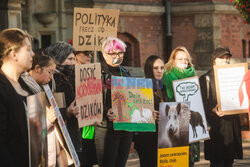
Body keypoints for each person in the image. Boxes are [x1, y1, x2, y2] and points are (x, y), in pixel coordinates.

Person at [199, 47, 243, 167]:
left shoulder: (236, 76)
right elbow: (201, 103)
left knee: (229, 162)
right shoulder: (205, 78)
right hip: (216, 127)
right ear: (214, 60)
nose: (225, 60)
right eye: (221, 58)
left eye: (227, 58)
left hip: (231, 126)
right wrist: (211, 110)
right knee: (217, 162)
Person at [95, 37, 133, 167]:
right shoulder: (98, 73)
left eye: (120, 52)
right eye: (113, 53)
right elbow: (91, 99)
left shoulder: (125, 72)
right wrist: (106, 111)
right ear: (104, 54)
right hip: (106, 128)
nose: (117, 56)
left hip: (125, 128)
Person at [0, 28, 35, 167]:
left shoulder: (25, 85)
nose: (33, 54)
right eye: (28, 49)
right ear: (13, 54)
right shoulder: (2, 89)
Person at [44, 41, 83, 164]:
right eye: (69, 59)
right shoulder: (49, 80)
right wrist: (66, 112)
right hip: (58, 140)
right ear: (59, 59)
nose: (72, 63)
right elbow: (48, 109)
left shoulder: (73, 76)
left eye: (74, 59)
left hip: (74, 134)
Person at [162, 46, 200, 167]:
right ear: (172, 60)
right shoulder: (167, 76)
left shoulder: (193, 75)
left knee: (190, 161)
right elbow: (166, 101)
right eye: (180, 59)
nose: (184, 61)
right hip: (175, 122)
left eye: (186, 59)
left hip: (190, 121)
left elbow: (197, 101)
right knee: (176, 161)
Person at [134, 55, 168, 167]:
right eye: (156, 68)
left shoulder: (164, 88)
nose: (159, 71)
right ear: (149, 69)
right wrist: (149, 113)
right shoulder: (141, 88)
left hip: (162, 138)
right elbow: (134, 111)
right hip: (146, 139)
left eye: (162, 68)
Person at [75, 50, 98, 167]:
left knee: (88, 155)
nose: (89, 56)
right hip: (76, 122)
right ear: (76, 54)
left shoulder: (93, 72)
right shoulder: (71, 73)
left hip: (90, 122)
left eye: (91, 54)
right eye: (86, 53)